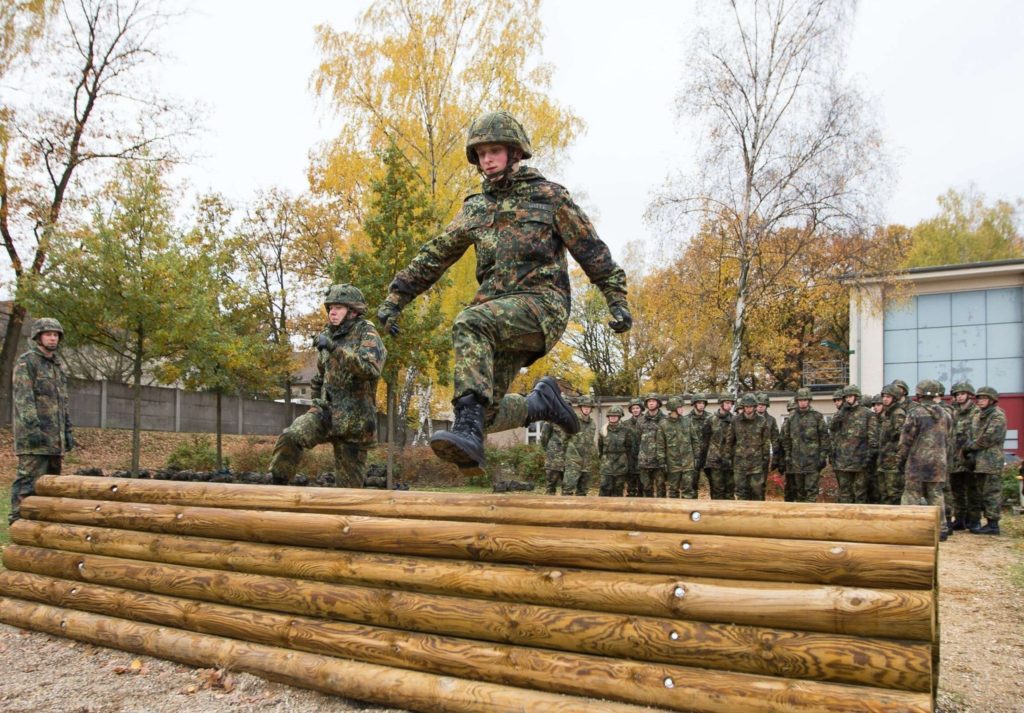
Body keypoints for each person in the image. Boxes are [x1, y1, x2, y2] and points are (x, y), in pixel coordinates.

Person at [375, 111, 630, 473]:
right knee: (487, 413)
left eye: (494, 151)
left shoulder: (549, 197)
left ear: (515, 152)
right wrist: (396, 297)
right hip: (496, 317)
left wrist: (616, 299)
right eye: (481, 154)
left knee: (470, 322)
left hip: (542, 306)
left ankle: (468, 430)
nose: (487, 160)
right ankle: (540, 404)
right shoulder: (476, 208)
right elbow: (435, 255)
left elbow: (591, 250)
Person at [269, 285, 386, 488]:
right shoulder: (327, 334)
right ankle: (278, 486)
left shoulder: (367, 333)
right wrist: (315, 403)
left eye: (338, 308)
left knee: (349, 494)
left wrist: (333, 348)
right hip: (326, 413)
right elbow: (321, 376)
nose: (332, 312)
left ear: (353, 311)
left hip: (354, 423)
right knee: (291, 435)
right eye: (330, 307)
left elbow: (369, 369)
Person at [9, 318, 73, 524]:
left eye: (55, 335)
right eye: (48, 334)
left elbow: (63, 402)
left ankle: (44, 529)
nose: (52, 338)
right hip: (34, 440)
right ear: (38, 337)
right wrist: (32, 429)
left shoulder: (57, 367)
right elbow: (23, 399)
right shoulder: (27, 362)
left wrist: (67, 431)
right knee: (27, 484)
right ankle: (18, 523)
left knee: (50, 486)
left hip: (55, 440)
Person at [898, 379, 953, 541]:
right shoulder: (946, 414)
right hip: (939, 462)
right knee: (936, 494)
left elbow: (905, 440)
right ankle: (941, 529)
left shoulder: (915, 413)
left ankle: (909, 528)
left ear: (919, 394)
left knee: (911, 494)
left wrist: (901, 459)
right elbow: (949, 438)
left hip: (917, 462)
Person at [967, 386, 1006, 535]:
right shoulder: (977, 415)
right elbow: (972, 434)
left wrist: (972, 446)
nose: (980, 401)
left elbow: (989, 437)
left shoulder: (998, 415)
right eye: (979, 398)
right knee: (980, 493)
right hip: (978, 461)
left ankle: (993, 524)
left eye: (984, 398)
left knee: (992, 493)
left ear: (992, 400)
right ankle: (983, 521)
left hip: (991, 460)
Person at [779, 388, 829, 503]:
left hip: (813, 461)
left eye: (805, 400)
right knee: (800, 492)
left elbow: (824, 438)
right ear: (797, 401)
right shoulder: (791, 418)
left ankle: (811, 513)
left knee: (811, 491)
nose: (802, 402)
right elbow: (786, 439)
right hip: (796, 462)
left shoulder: (817, 416)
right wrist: (788, 455)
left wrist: (822, 456)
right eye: (800, 400)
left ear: (809, 401)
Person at [829, 385, 875, 504]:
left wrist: (869, 457)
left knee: (860, 493)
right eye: (846, 397)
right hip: (843, 461)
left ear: (856, 397)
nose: (848, 399)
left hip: (860, 460)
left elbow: (872, 437)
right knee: (845, 493)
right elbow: (832, 427)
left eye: (850, 396)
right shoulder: (841, 413)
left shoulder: (867, 414)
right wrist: (842, 411)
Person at [727, 394, 771, 501]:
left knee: (757, 491)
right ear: (743, 407)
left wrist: (765, 459)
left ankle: (757, 511)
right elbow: (730, 440)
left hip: (756, 463)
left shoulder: (762, 420)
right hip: (740, 462)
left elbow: (766, 441)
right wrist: (728, 456)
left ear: (754, 407)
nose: (748, 409)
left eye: (750, 406)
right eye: (746, 406)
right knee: (741, 492)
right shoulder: (735, 420)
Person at [948, 382, 978, 529]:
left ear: (969, 395)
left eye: (962, 394)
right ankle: (960, 519)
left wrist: (972, 454)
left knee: (972, 490)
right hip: (954, 457)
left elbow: (977, 435)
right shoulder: (953, 411)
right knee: (956, 490)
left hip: (969, 456)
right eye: (957, 394)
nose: (959, 397)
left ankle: (973, 520)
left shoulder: (976, 412)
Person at [660, 396, 701, 499]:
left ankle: (687, 508)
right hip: (673, 463)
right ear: (673, 409)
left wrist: (697, 456)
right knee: (673, 491)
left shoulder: (687, 421)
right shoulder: (663, 424)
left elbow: (694, 440)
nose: (682, 409)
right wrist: (662, 461)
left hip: (688, 463)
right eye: (680, 407)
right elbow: (660, 445)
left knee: (688, 490)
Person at [875, 384, 908, 505]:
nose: (884, 399)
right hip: (884, 459)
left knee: (893, 493)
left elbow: (901, 436)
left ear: (895, 398)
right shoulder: (887, 414)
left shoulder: (898, 413)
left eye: (888, 397)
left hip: (893, 461)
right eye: (883, 396)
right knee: (883, 493)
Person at [562, 397, 597, 496]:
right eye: (584, 407)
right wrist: (570, 454)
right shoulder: (573, 421)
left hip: (587, 461)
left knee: (583, 490)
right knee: (568, 488)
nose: (586, 409)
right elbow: (564, 439)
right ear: (580, 408)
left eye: (588, 407)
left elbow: (591, 441)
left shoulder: (592, 423)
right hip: (573, 460)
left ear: (591, 409)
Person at [598, 405, 635, 497]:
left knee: (618, 489)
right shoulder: (603, 430)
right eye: (611, 415)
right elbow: (600, 447)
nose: (613, 417)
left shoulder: (626, 430)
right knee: (604, 488)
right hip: (606, 464)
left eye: (615, 416)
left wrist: (627, 462)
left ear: (619, 417)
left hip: (621, 464)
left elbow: (629, 447)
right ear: (608, 417)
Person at [704, 394, 735, 499]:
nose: (729, 405)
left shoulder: (735, 420)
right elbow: (705, 440)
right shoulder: (711, 419)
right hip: (714, 460)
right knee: (717, 489)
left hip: (729, 459)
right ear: (721, 403)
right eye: (727, 403)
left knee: (730, 490)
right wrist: (703, 459)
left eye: (731, 403)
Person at [637, 394, 666, 497]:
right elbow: (638, 439)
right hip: (644, 461)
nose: (651, 403)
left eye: (653, 401)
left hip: (659, 461)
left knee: (661, 488)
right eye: (649, 401)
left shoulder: (665, 419)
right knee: (646, 488)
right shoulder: (641, 420)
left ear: (658, 403)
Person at [688, 393, 712, 497]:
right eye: (699, 403)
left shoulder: (710, 418)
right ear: (694, 404)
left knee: (714, 483)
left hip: (708, 455)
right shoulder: (687, 419)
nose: (701, 405)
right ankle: (692, 504)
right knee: (692, 484)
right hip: (693, 456)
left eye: (703, 403)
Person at [755, 393, 781, 482]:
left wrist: (775, 458)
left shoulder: (771, 420)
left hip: (764, 457)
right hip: (748, 456)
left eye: (763, 404)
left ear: (766, 406)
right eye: (759, 404)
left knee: (762, 483)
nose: (760, 406)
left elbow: (775, 439)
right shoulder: (749, 418)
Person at [539, 420, 568, 495]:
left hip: (568, 457)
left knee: (567, 487)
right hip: (554, 458)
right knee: (551, 484)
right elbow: (544, 438)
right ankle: (550, 501)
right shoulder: (550, 421)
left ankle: (566, 501)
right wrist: (549, 449)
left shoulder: (570, 420)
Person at [623, 398, 644, 496]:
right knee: (631, 488)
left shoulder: (647, 421)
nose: (635, 410)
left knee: (643, 488)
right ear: (630, 410)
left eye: (637, 408)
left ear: (641, 409)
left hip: (643, 459)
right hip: (630, 459)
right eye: (633, 408)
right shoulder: (625, 424)